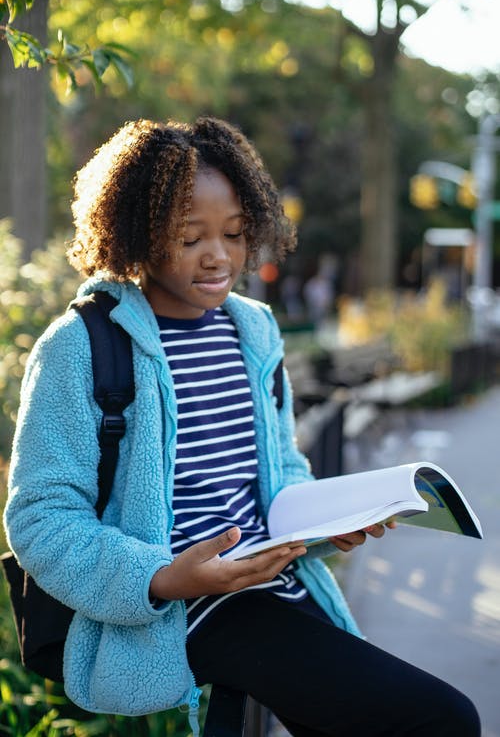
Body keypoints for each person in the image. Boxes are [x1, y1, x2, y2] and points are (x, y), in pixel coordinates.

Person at [4, 117, 480, 736]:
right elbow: (39, 515)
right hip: (188, 609)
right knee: (443, 719)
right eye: (189, 236)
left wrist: (326, 523)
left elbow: (279, 468)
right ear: (136, 234)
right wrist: (165, 577)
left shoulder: (253, 329)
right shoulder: (81, 345)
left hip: (276, 582)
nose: (219, 256)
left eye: (233, 233)